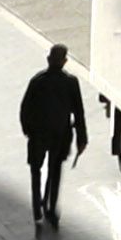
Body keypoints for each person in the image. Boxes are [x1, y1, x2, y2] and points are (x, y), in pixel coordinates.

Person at [21, 42, 86, 227]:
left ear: (48, 59)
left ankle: (37, 209)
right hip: (61, 134)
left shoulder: (38, 81)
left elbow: (25, 108)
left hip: (38, 135)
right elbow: (79, 112)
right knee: (54, 171)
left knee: (36, 170)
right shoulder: (70, 82)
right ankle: (50, 208)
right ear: (65, 61)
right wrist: (82, 138)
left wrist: (28, 131)